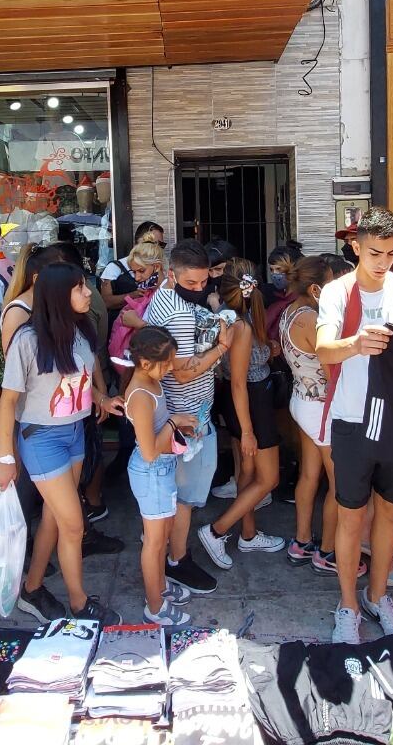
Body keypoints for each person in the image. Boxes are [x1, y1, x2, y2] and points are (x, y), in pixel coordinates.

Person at [315, 208, 393, 644]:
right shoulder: (337, 291)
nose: (383, 261)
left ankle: (377, 593)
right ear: (355, 246)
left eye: (391, 253)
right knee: (350, 517)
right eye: (374, 252)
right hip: (351, 418)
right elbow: (324, 349)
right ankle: (347, 604)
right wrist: (355, 343)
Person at [0, 262, 124, 626]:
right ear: (56, 295)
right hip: (41, 438)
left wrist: (100, 398)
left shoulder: (80, 331)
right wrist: (5, 457)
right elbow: (7, 402)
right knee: (73, 525)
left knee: (55, 517)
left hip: (74, 432)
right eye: (80, 287)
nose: (87, 293)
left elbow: (78, 379)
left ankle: (32, 587)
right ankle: (80, 604)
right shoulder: (27, 339)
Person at [144, 240, 238, 596]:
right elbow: (182, 373)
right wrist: (222, 347)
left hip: (175, 413)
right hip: (185, 419)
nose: (200, 290)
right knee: (184, 498)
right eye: (192, 284)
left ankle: (169, 552)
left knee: (175, 495)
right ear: (172, 274)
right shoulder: (179, 313)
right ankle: (177, 560)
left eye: (204, 283)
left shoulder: (163, 297)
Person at [198, 259, 286, 567]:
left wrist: (267, 348)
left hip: (240, 405)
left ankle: (248, 535)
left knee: (247, 474)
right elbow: (238, 382)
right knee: (269, 478)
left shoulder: (228, 317)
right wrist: (248, 430)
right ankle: (216, 530)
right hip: (251, 405)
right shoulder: (242, 325)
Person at [125, 326, 196, 626]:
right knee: (154, 542)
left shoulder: (151, 383)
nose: (170, 368)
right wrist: (174, 422)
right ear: (144, 363)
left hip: (162, 470)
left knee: (163, 535)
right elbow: (150, 451)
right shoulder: (140, 394)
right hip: (151, 471)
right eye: (165, 363)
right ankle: (154, 606)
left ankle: (161, 586)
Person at [279, 255, 342, 570]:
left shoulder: (290, 312)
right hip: (321, 409)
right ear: (317, 287)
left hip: (302, 401)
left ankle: (301, 542)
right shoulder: (312, 321)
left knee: (308, 474)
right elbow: (334, 372)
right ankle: (328, 551)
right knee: (339, 483)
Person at [98, 240, 163, 317]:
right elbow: (106, 302)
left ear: (157, 267)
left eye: (142, 271)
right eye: (134, 272)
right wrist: (132, 296)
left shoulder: (166, 289)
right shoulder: (114, 267)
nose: (137, 278)